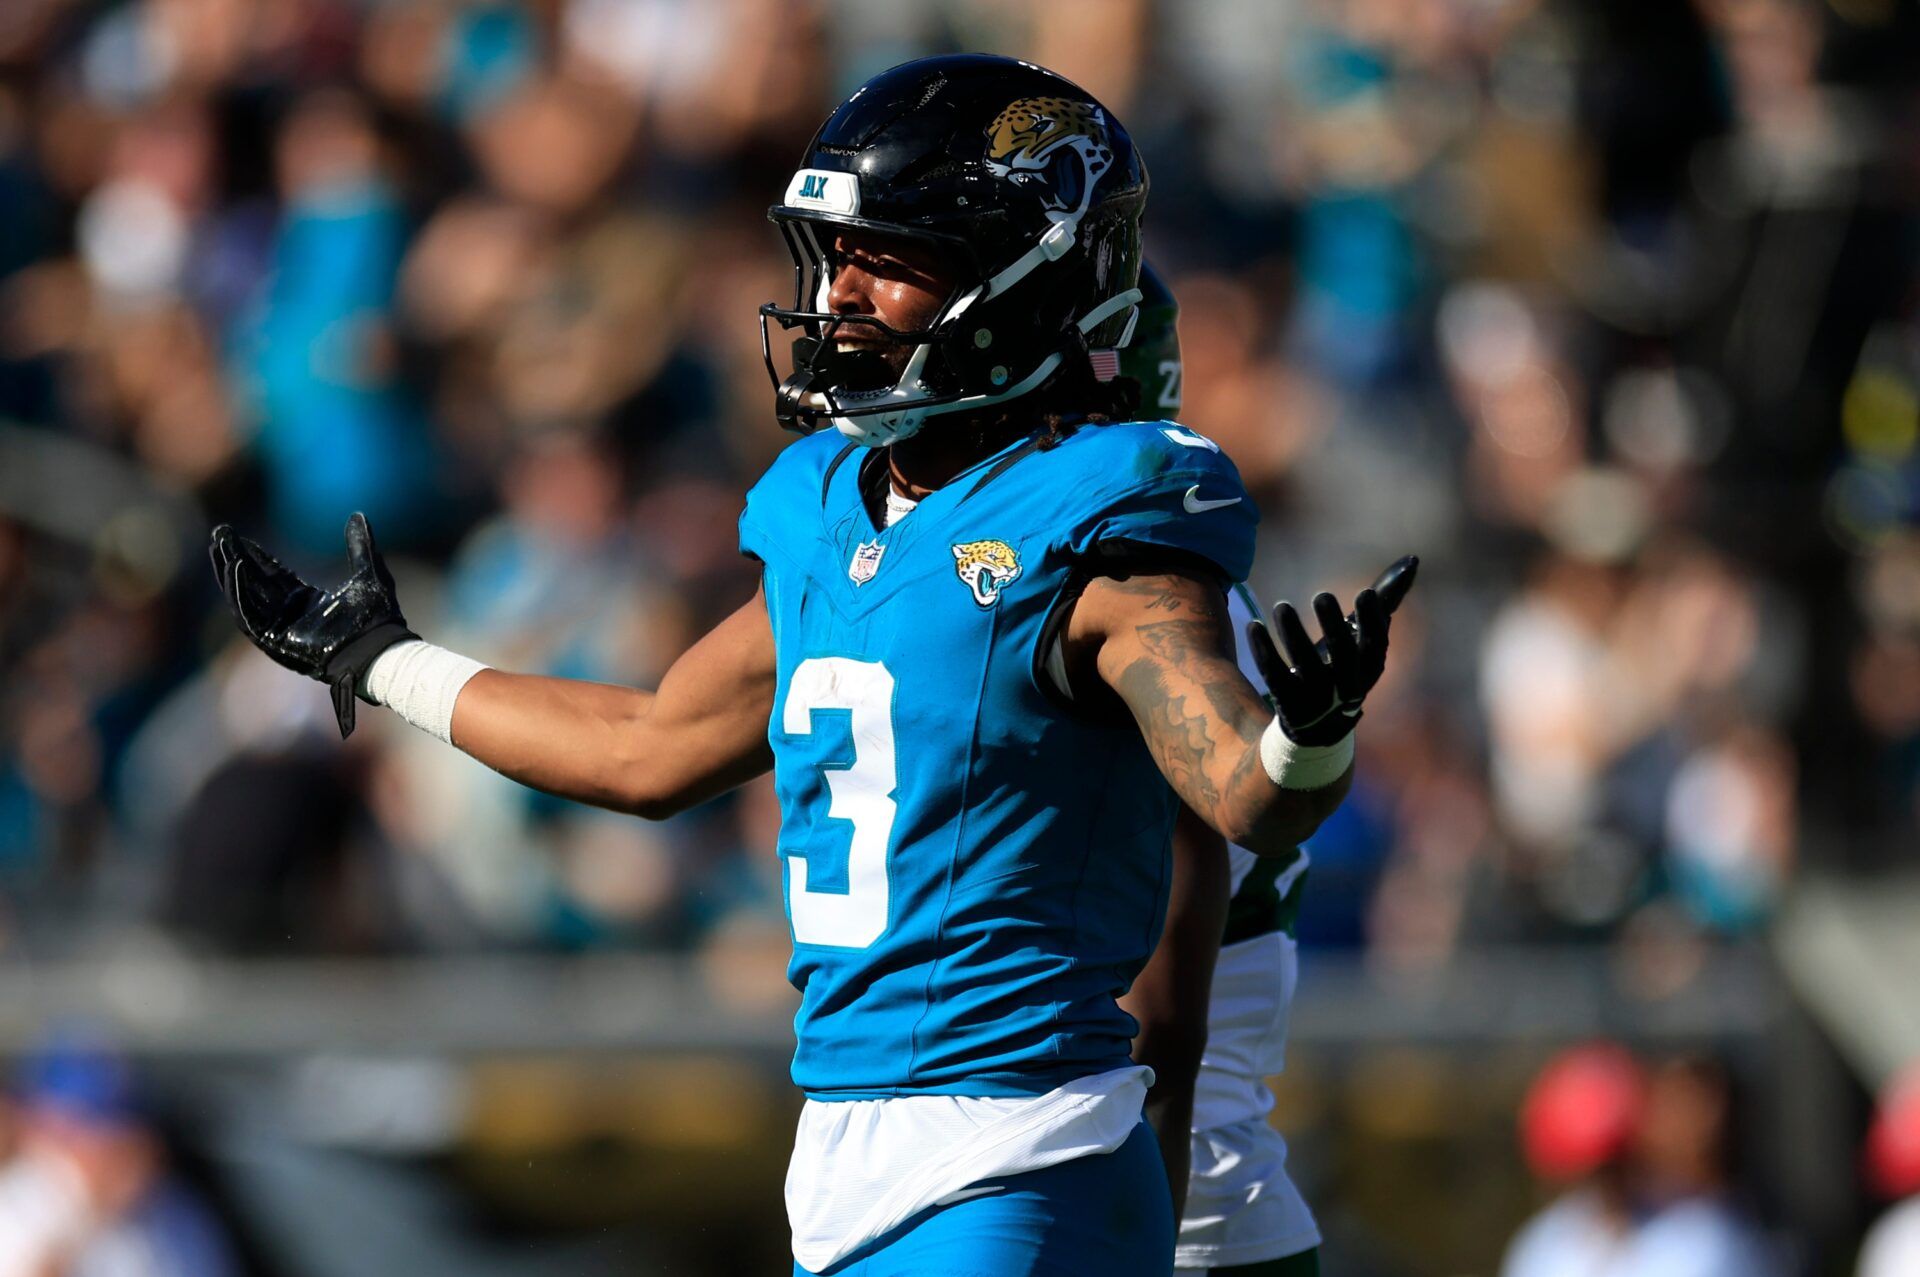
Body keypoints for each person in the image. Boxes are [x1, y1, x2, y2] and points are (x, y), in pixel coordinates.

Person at [210, 54, 1410, 1277]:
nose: (836, 294)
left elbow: (1232, 817)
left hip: (1030, 1143)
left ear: (1027, 285)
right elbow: (649, 744)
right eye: (833, 254)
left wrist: (1306, 733)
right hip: (854, 1150)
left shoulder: (1105, 534)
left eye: (887, 257)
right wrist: (382, 660)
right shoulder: (841, 512)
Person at [1118, 269, 1326, 1276]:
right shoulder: (1160, 578)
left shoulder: (1141, 597)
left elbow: (1159, 1008)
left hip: (1162, 1197)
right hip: (1209, 1188)